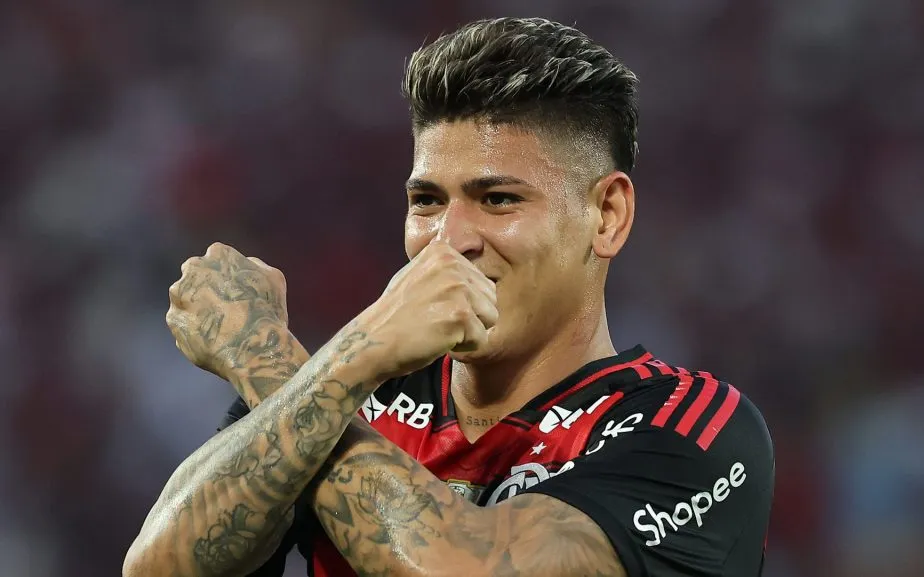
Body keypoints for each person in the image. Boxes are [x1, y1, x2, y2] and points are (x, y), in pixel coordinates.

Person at [123, 16, 774, 577]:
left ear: (606, 216)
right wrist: (336, 371)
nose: (449, 239)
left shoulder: (691, 426)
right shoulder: (340, 389)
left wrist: (268, 355)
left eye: (498, 199)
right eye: (427, 200)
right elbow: (159, 565)